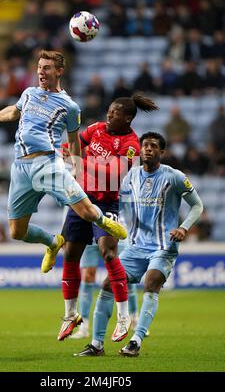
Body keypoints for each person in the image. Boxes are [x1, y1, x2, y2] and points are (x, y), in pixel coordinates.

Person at [0, 49, 127, 273]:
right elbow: (13, 113)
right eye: (39, 68)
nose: (41, 72)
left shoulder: (69, 106)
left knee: (86, 212)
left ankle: (105, 223)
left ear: (59, 71)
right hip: (20, 168)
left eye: (46, 68)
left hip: (48, 164)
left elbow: (73, 140)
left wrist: (76, 167)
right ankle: (53, 243)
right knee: (17, 232)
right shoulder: (28, 93)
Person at [74, 132, 203, 357]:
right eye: (145, 145)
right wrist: (118, 226)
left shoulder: (174, 176)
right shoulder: (130, 176)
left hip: (163, 246)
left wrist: (183, 228)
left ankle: (136, 340)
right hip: (136, 246)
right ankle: (96, 344)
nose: (148, 149)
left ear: (161, 152)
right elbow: (121, 204)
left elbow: (197, 206)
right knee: (108, 284)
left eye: (153, 146)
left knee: (151, 283)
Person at [58, 94, 159, 342]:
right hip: (80, 198)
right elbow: (74, 144)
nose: (109, 114)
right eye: (109, 110)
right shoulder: (95, 129)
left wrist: (81, 163)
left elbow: (114, 174)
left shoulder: (132, 143)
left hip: (106, 201)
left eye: (115, 112)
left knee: (109, 253)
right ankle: (71, 315)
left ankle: (124, 316)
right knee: (70, 254)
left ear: (127, 117)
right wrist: (67, 153)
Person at [69, 242, 144, 339]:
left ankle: (134, 320)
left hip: (115, 235)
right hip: (90, 239)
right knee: (87, 276)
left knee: (125, 274)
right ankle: (84, 327)